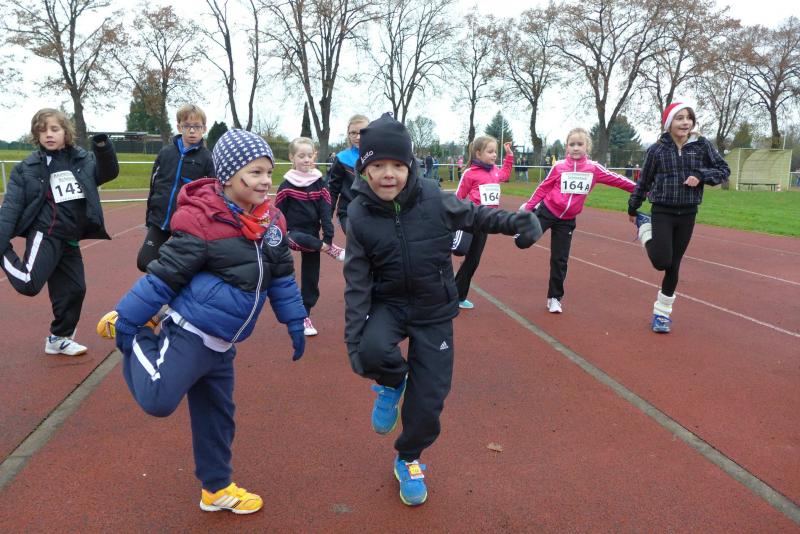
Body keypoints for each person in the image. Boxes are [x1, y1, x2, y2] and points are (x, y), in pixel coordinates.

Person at [96, 129, 307, 514]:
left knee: (217, 419)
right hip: (190, 334)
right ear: (227, 176)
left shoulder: (272, 221)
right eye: (255, 173)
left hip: (223, 344)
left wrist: (295, 320)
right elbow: (164, 276)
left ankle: (216, 489)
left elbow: (281, 278)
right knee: (158, 399)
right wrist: (128, 320)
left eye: (268, 172)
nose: (266, 181)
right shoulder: (202, 220)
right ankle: (140, 336)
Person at [343, 113, 541, 507]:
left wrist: (517, 221)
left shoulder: (433, 197)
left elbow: (477, 215)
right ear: (364, 170)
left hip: (433, 309)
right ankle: (391, 382)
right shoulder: (360, 214)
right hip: (389, 303)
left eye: (396, 165)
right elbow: (356, 281)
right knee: (370, 350)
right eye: (377, 166)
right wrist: (353, 343)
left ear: (410, 166)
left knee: (430, 398)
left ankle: (409, 458)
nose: (387, 174)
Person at [0, 108, 119, 356]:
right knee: (28, 283)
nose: (48, 134)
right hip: (46, 234)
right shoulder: (27, 168)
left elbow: (108, 173)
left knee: (75, 290)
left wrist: (102, 147)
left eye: (54, 129)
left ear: (66, 132)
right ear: (36, 135)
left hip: (70, 238)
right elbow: (11, 208)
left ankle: (58, 338)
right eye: (42, 130)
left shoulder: (82, 160)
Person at [628, 101, 729, 333]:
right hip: (662, 211)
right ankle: (645, 228)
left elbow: (723, 170)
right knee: (661, 262)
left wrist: (701, 175)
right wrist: (633, 208)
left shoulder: (702, 146)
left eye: (688, 118)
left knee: (673, 266)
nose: (685, 122)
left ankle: (662, 315)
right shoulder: (657, 150)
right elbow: (644, 182)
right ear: (668, 123)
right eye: (679, 118)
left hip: (688, 213)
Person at [519, 128, 636, 313]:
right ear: (566, 147)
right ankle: (523, 225)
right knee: (523, 242)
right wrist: (528, 206)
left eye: (580, 144)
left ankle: (554, 298)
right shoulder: (558, 167)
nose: (575, 148)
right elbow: (543, 187)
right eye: (571, 144)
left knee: (560, 259)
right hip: (548, 211)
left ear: (587, 146)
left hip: (567, 220)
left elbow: (618, 180)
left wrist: (641, 189)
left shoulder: (593, 169)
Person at [275, 137, 345, 336]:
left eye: (309, 155)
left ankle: (305, 315)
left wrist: (328, 237)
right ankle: (329, 250)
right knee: (298, 239)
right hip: (292, 234)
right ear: (292, 157)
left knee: (311, 278)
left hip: (314, 236)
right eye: (301, 156)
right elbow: (277, 213)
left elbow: (325, 212)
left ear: (314, 156)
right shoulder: (286, 186)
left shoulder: (320, 184)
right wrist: (277, 237)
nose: (306, 159)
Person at [137, 104, 215, 272]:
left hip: (187, 224)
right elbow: (154, 185)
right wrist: (150, 217)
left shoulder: (208, 159)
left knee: (187, 267)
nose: (192, 131)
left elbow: (212, 194)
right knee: (144, 262)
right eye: (187, 126)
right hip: (160, 220)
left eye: (197, 126)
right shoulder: (165, 153)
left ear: (204, 129)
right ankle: (165, 279)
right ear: (179, 127)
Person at [453, 136, 514, 309]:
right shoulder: (470, 173)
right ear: (478, 154)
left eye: (495, 151)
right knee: (457, 251)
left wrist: (509, 156)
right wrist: (455, 219)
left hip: (485, 222)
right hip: (470, 220)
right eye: (490, 152)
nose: (494, 155)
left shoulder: (495, 171)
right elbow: (458, 197)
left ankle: (457, 296)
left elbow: (505, 174)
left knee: (473, 260)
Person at [329, 114, 369, 235]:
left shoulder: (379, 157)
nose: (358, 137)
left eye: (362, 132)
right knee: (358, 237)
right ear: (348, 134)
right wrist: (326, 217)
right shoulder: (342, 158)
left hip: (374, 211)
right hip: (348, 211)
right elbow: (333, 190)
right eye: (353, 133)